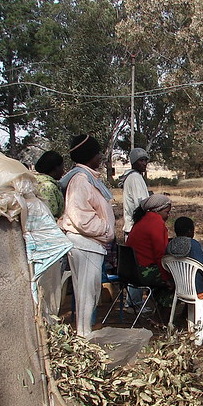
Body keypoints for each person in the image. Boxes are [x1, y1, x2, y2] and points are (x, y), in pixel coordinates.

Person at [57, 134, 116, 336]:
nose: (101, 157)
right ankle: (84, 336)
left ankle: (85, 333)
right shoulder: (80, 180)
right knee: (86, 293)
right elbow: (81, 218)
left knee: (89, 293)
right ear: (89, 156)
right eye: (98, 153)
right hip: (85, 243)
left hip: (90, 244)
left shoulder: (87, 178)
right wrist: (106, 229)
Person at [125, 193, 174, 307]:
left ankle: (158, 311)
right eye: (167, 212)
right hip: (143, 272)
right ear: (158, 210)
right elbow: (160, 255)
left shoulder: (141, 221)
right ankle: (162, 314)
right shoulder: (156, 223)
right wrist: (167, 278)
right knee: (179, 280)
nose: (168, 215)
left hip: (130, 271)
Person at [120, 148, 150, 237]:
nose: (144, 163)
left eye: (145, 160)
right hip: (136, 229)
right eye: (141, 160)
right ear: (134, 162)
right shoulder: (135, 177)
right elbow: (141, 204)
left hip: (132, 228)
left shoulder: (133, 176)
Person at [33, 150, 65, 219]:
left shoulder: (37, 181)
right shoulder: (48, 187)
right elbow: (51, 215)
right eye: (62, 167)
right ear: (56, 168)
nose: (63, 171)